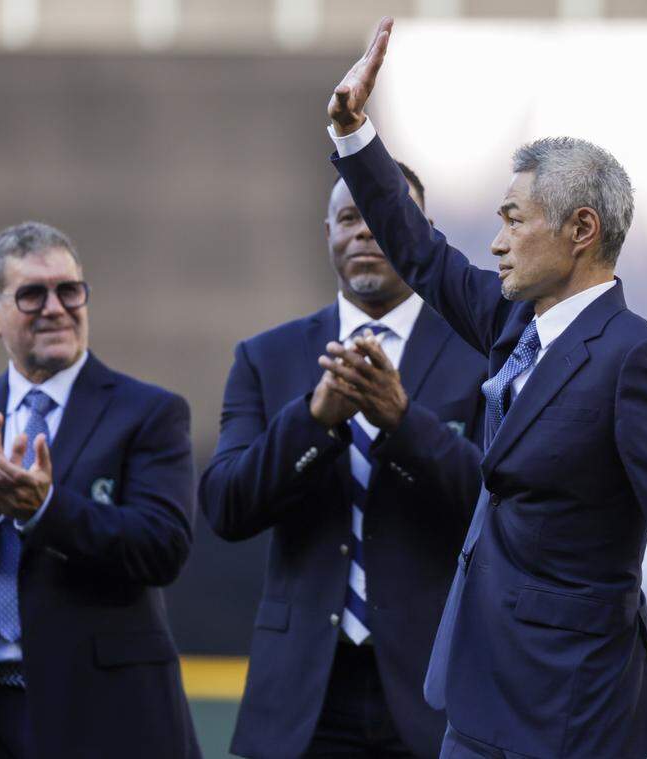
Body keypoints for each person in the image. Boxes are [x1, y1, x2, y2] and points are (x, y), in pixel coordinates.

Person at [324, 18, 647, 759]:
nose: (495, 241)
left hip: (574, 708)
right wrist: (355, 135)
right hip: (477, 691)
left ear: (581, 229)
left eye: (514, 219)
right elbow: (424, 257)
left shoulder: (634, 361)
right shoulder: (512, 317)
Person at [0, 222, 200, 759]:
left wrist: (46, 509)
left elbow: (163, 548)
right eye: (31, 294)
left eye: (68, 290)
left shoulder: (148, 414)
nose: (55, 307)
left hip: (107, 714)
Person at [199, 167, 487, 758]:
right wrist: (314, 419)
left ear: (421, 233)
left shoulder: (481, 352)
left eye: (383, 218)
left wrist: (402, 423)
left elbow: (503, 508)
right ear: (327, 231)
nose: (365, 232)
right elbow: (226, 506)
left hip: (438, 693)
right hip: (303, 696)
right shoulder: (266, 357)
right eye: (350, 218)